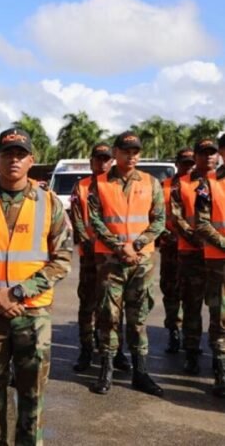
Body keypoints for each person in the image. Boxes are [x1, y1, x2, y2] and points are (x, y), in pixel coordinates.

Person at [0, 128, 72, 445]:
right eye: (8, 154)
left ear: (31, 160)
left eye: (20, 154)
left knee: (32, 396)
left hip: (32, 313)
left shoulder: (49, 203)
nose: (14, 160)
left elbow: (63, 258)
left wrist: (18, 293)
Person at [88, 131, 165, 397]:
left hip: (141, 261)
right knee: (108, 315)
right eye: (126, 151)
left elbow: (159, 220)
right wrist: (120, 247)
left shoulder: (151, 182)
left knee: (138, 316)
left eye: (135, 152)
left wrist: (137, 245)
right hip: (110, 260)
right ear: (115, 153)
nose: (131, 156)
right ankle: (106, 371)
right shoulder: (99, 183)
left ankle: (140, 373)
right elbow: (95, 221)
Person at [71, 143, 131, 372]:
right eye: (98, 159)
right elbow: (78, 219)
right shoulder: (82, 186)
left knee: (114, 305)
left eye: (106, 159)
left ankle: (116, 351)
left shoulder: (116, 185)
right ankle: (86, 350)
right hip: (90, 255)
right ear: (91, 162)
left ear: (112, 161)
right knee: (88, 304)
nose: (103, 163)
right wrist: (89, 244)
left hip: (113, 256)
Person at [171, 141, 218, 375]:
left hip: (218, 256)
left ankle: (218, 356)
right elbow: (177, 217)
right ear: (196, 156)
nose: (208, 157)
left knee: (219, 308)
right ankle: (191, 352)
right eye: (203, 153)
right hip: (192, 254)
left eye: (212, 153)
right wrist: (199, 240)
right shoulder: (182, 184)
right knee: (192, 305)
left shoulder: (220, 182)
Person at [193, 133, 225, 397]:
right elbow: (202, 223)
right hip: (219, 263)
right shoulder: (209, 184)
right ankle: (221, 374)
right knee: (221, 319)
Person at [159, 149, 197, 354]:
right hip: (171, 248)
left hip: (194, 249)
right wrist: (167, 235)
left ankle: (191, 338)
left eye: (191, 163)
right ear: (176, 164)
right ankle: (173, 331)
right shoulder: (163, 187)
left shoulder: (201, 185)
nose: (188, 167)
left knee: (192, 295)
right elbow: (153, 216)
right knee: (171, 292)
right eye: (184, 163)